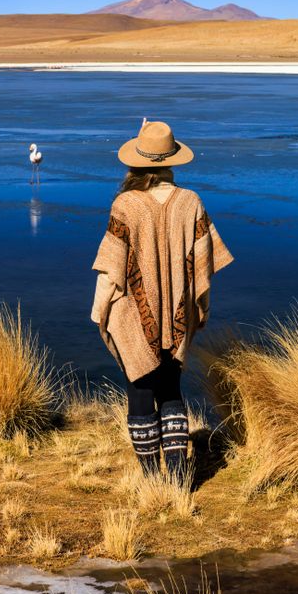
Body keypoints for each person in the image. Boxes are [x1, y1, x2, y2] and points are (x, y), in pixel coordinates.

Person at [91, 120, 233, 481]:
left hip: (132, 315)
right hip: (178, 314)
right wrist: (200, 308)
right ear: (172, 159)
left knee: (140, 388)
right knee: (171, 389)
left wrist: (100, 312)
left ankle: (153, 480)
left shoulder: (126, 204)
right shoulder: (191, 201)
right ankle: (177, 478)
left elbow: (111, 268)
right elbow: (204, 267)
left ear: (136, 162)